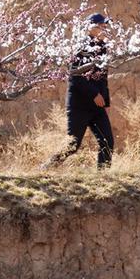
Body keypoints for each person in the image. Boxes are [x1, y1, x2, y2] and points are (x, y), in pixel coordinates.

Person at [51, 12, 115, 169]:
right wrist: (95, 94)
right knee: (72, 145)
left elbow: (102, 78)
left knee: (107, 142)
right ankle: (47, 169)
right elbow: (75, 76)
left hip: (97, 106)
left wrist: (105, 101)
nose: (104, 29)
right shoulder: (81, 48)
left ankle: (103, 178)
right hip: (79, 105)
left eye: (105, 26)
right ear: (90, 27)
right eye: (100, 26)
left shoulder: (103, 48)